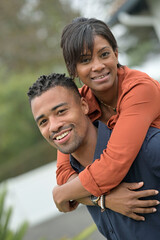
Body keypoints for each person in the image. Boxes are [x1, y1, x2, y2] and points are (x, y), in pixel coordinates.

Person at [28, 73, 160, 240]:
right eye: (43, 122)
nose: (54, 126)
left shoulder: (148, 147)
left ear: (84, 106)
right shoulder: (73, 178)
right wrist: (102, 199)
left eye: (61, 111)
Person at [56, 16, 160, 201]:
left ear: (116, 54)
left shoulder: (140, 89)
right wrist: (105, 201)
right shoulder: (80, 103)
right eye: (86, 60)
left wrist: (61, 194)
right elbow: (65, 171)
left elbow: (114, 165)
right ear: (73, 69)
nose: (98, 66)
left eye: (104, 54)